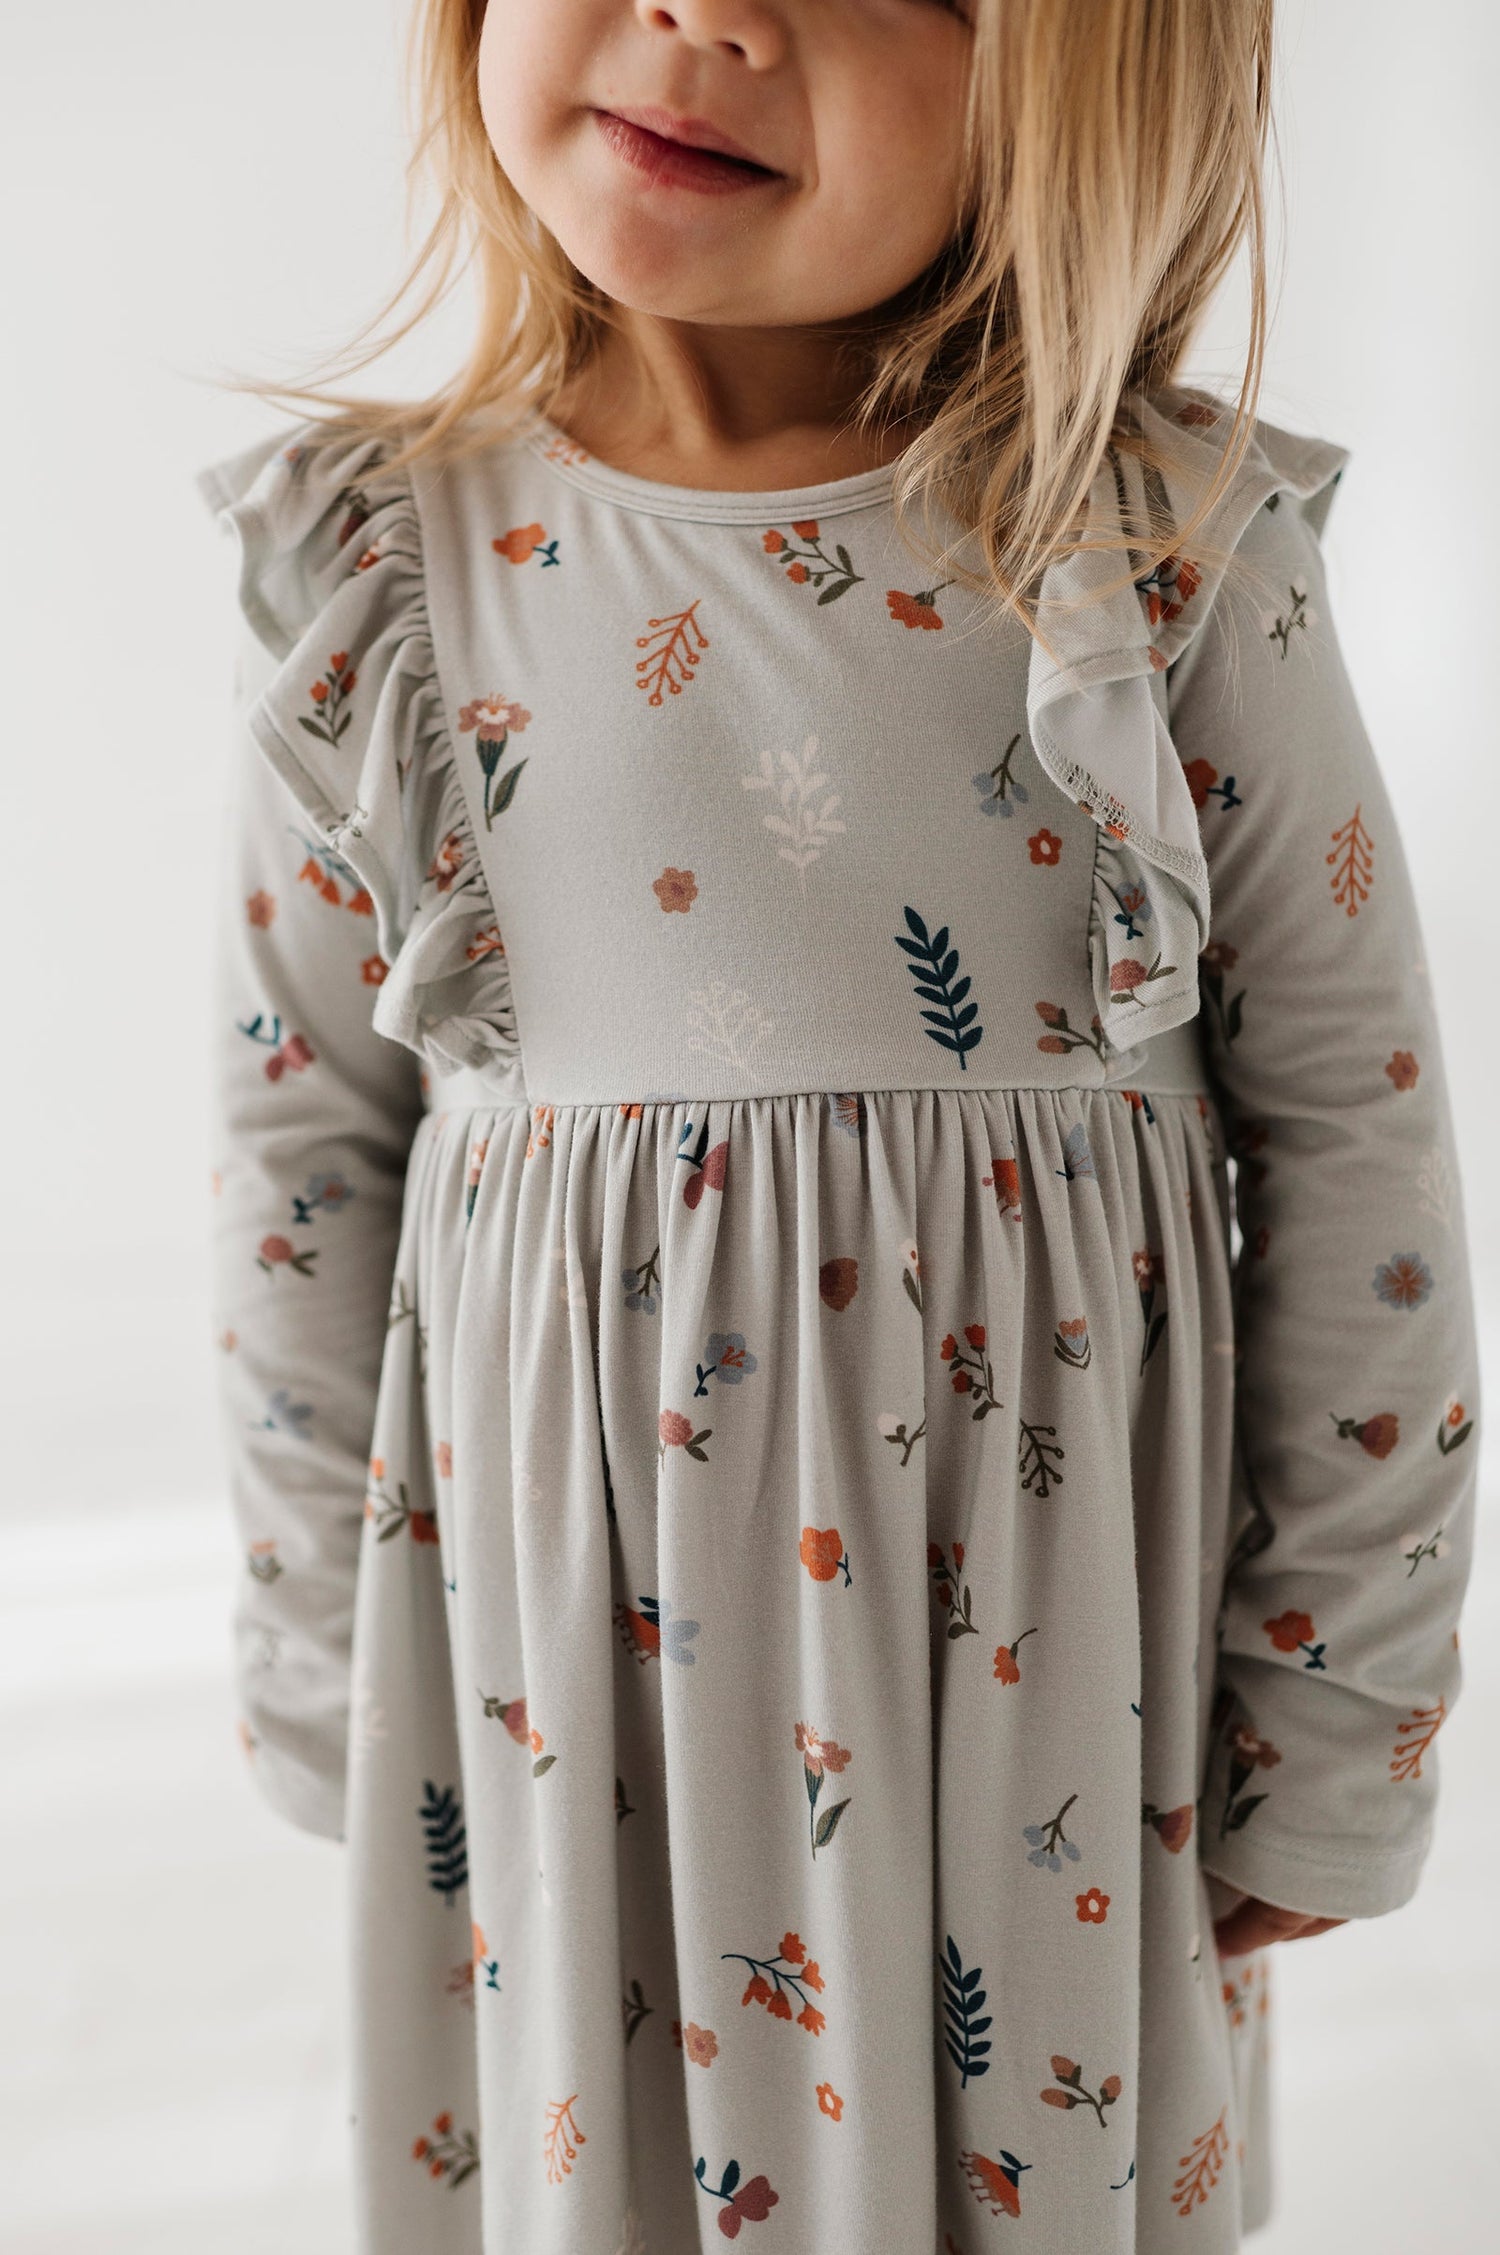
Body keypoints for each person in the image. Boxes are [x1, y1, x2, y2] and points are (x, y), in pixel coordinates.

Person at [194, 3, 1479, 2250]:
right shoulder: (382, 574)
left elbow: (1355, 1134)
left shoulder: (1154, 552)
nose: (711, 17)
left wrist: (1340, 1695)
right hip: (573, 1695)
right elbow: (302, 1149)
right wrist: (333, 1668)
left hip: (1046, 1692)